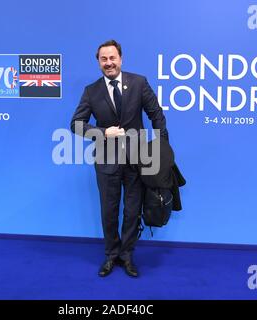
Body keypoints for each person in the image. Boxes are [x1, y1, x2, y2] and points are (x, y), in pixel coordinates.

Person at [70, 40, 168, 277]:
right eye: (104, 59)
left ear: (121, 59)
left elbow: (157, 114)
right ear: (98, 62)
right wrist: (103, 132)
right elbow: (76, 125)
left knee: (133, 211)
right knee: (109, 211)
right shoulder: (91, 91)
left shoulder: (138, 83)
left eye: (112, 58)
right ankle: (111, 256)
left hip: (136, 160)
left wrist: (162, 148)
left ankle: (127, 256)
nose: (109, 63)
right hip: (106, 161)